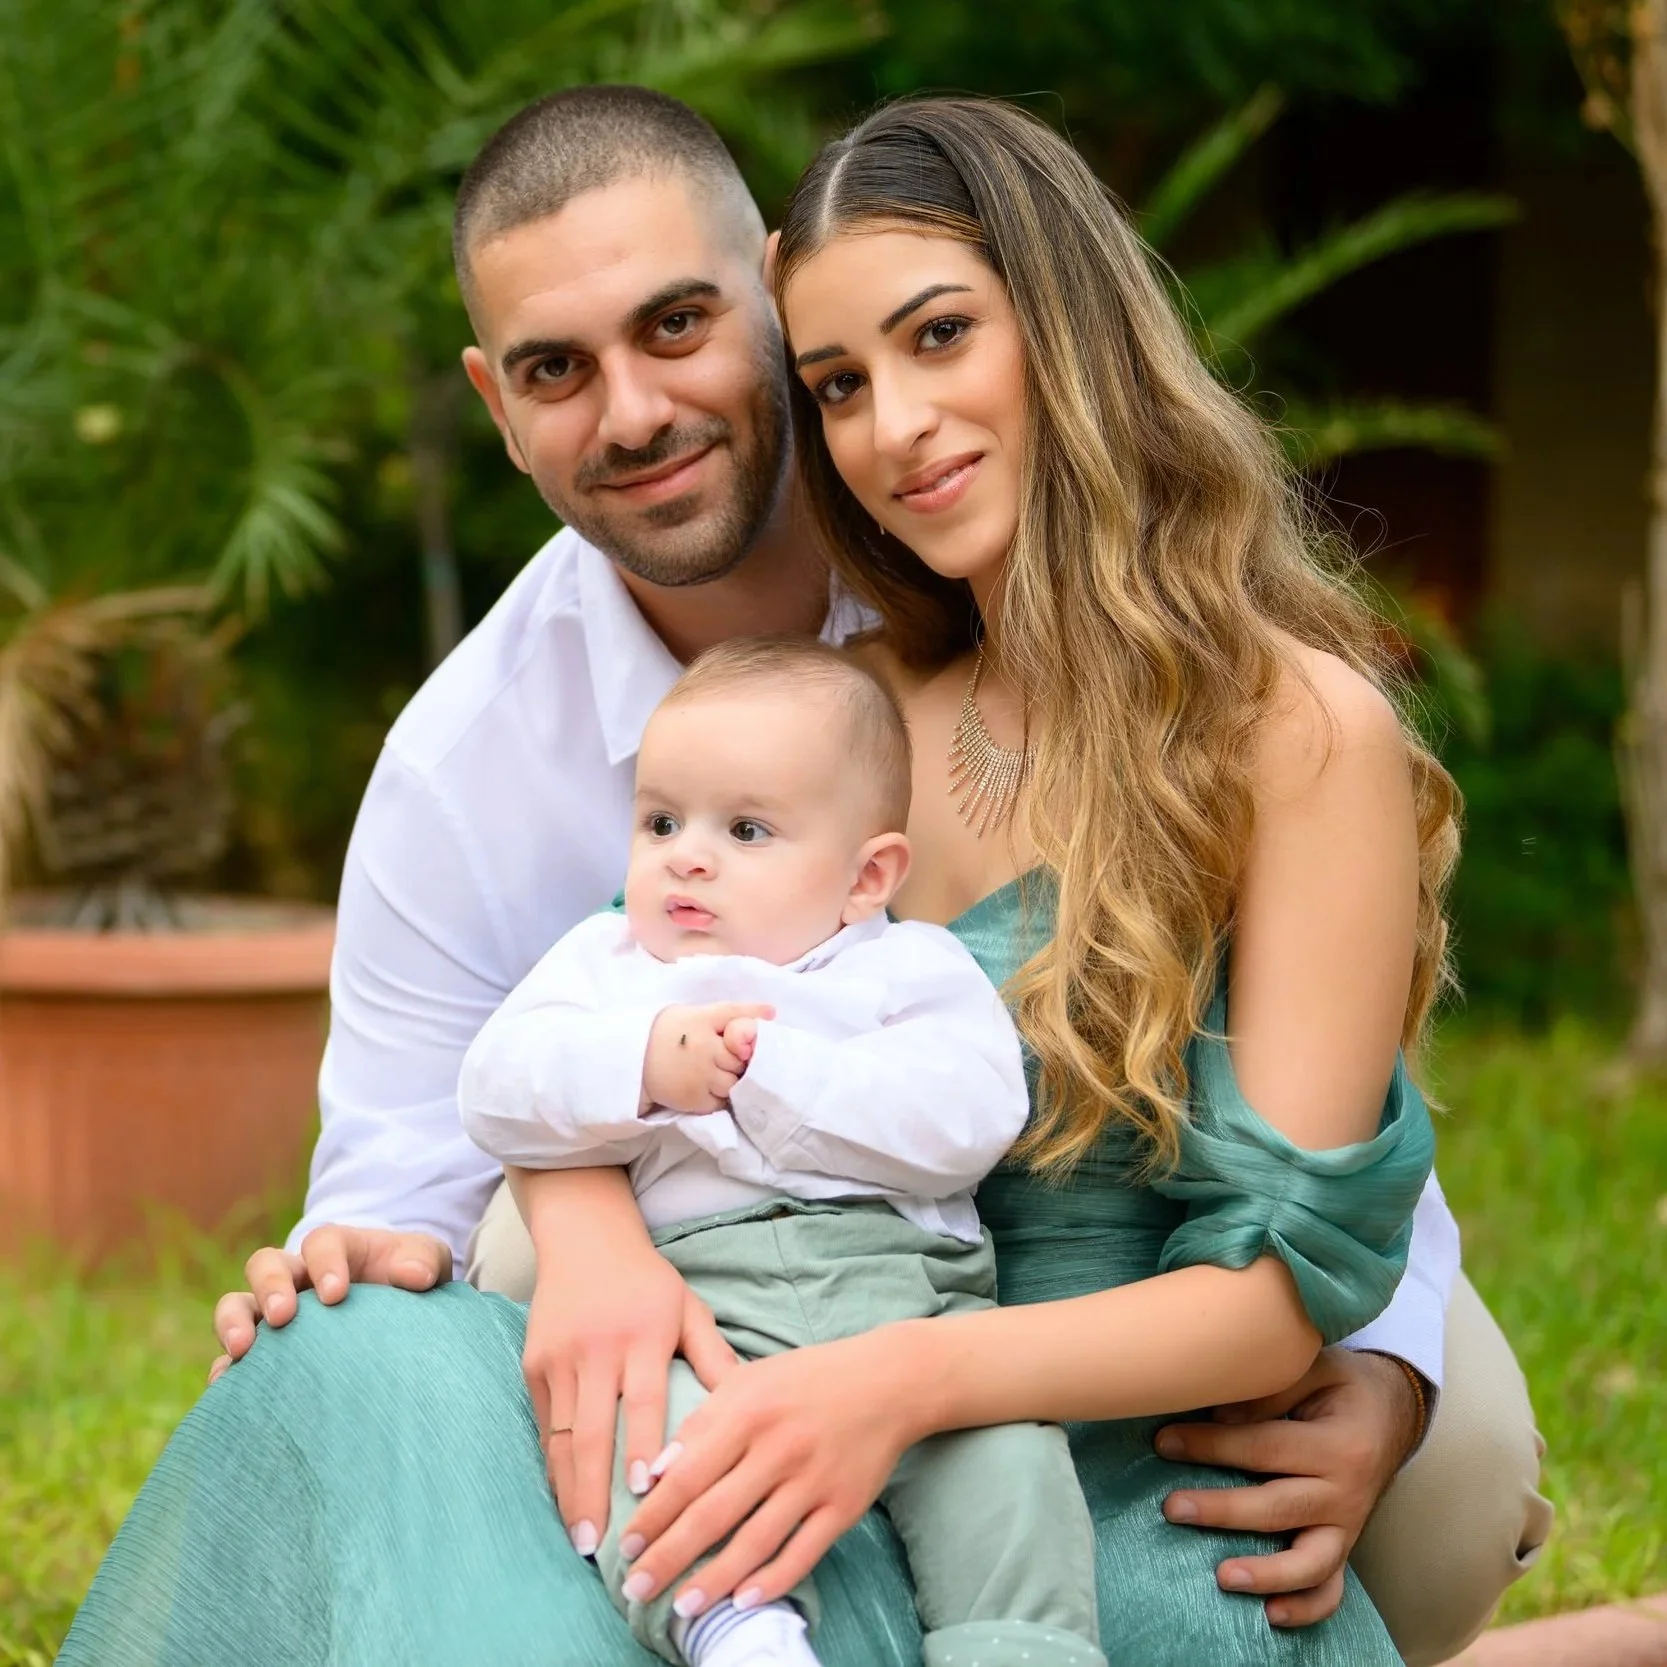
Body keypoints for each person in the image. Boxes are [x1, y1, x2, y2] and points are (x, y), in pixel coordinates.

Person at [58, 86, 1549, 1667]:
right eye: (844, 380)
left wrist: (1372, 1374)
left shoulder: (1294, 726)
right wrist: (569, 1220)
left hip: (1098, 1427)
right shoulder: (857, 714)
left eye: (937, 337)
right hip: (812, 1360)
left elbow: (1303, 1230)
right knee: (347, 1354)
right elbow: (551, 1046)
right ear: (497, 404)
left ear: (1066, 322)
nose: (891, 425)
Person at [460, 636, 1105, 1667]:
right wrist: (643, 1061)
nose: (687, 853)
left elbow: (969, 1116)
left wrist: (774, 1073)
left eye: (746, 828)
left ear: (865, 877)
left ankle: (1019, 1641)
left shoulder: (905, 968)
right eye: (661, 819)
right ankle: (737, 1626)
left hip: (904, 1296)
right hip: (701, 1309)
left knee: (1008, 1466)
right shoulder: (610, 966)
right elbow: (495, 1082)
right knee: (654, 1438)